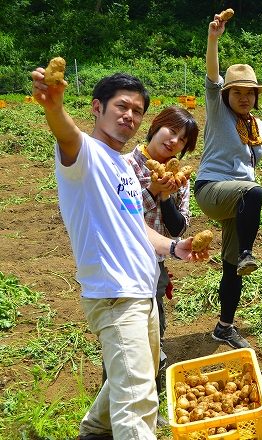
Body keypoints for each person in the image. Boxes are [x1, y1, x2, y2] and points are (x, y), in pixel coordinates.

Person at [30, 69, 208, 440]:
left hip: (144, 291)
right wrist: (54, 105)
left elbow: (137, 228)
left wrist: (174, 247)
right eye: (121, 106)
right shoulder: (86, 154)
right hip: (115, 294)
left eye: (137, 110)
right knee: (139, 399)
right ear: (97, 108)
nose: (129, 115)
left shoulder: (121, 168)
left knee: (138, 370)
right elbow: (65, 132)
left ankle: (95, 431)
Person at [196, 11, 262, 349]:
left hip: (238, 201)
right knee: (255, 191)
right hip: (212, 189)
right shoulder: (218, 108)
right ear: (227, 94)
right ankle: (250, 251)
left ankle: (224, 326)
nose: (244, 97)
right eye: (237, 92)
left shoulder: (255, 125)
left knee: (231, 267)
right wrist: (213, 38)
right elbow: (211, 76)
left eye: (250, 93)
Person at [123, 106, 199, 398]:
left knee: (155, 330)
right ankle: (128, 398)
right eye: (171, 131)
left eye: (182, 140)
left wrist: (166, 194)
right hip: (125, 264)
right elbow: (121, 216)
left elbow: (179, 226)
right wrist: (152, 189)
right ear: (156, 126)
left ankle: (147, 395)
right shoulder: (126, 165)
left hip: (155, 263)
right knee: (130, 336)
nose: (174, 142)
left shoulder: (180, 177)